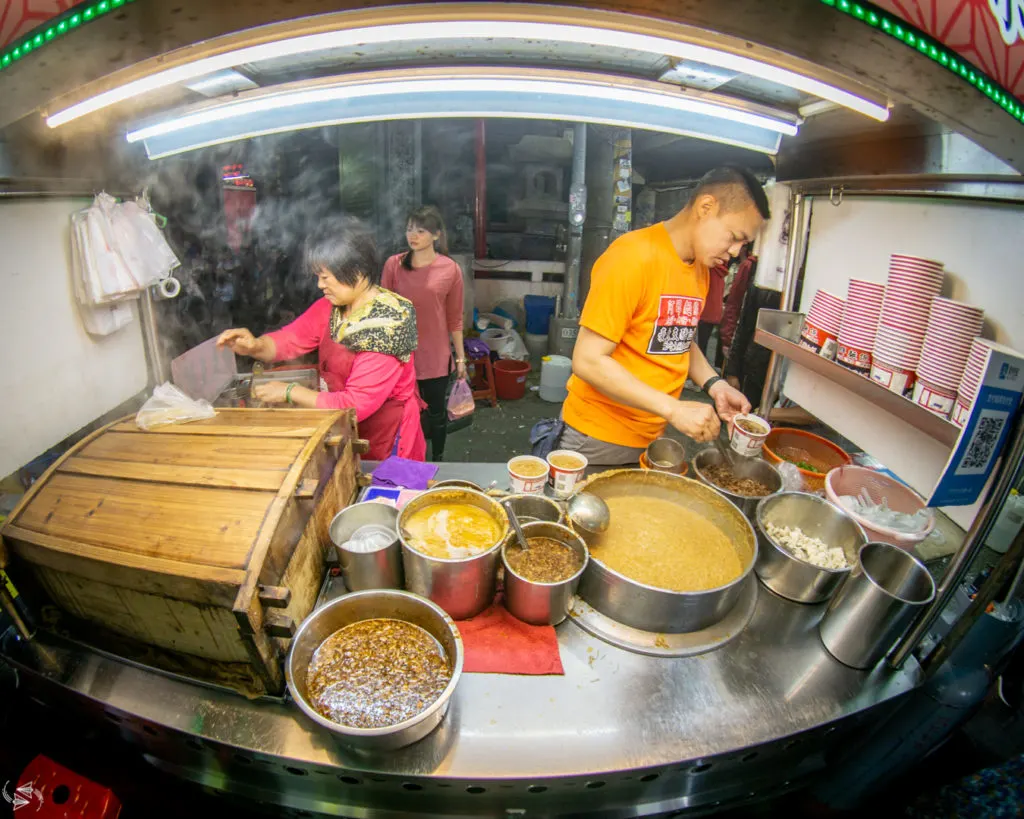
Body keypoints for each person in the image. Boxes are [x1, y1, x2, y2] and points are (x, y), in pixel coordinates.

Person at [559, 166, 769, 465]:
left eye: (743, 244)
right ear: (705, 208)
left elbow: (677, 336)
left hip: (650, 433)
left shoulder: (699, 267)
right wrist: (674, 409)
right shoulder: (632, 257)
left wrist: (714, 384)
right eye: (734, 237)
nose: (736, 252)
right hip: (598, 436)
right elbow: (588, 360)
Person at [217, 217, 426, 461]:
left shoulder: (388, 325)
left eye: (325, 277)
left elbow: (355, 406)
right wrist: (255, 345)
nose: (319, 285)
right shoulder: (331, 307)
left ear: (357, 272)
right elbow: (291, 339)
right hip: (342, 423)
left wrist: (290, 392)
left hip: (386, 437)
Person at [382, 205, 466, 461]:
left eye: (420, 230)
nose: (413, 235)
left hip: (434, 357)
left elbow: (455, 319)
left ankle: (438, 460)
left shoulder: (450, 269)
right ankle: (404, 462)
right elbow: (382, 309)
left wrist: (460, 359)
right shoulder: (394, 265)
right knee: (399, 414)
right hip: (399, 356)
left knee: (436, 414)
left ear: (437, 235)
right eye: (409, 230)